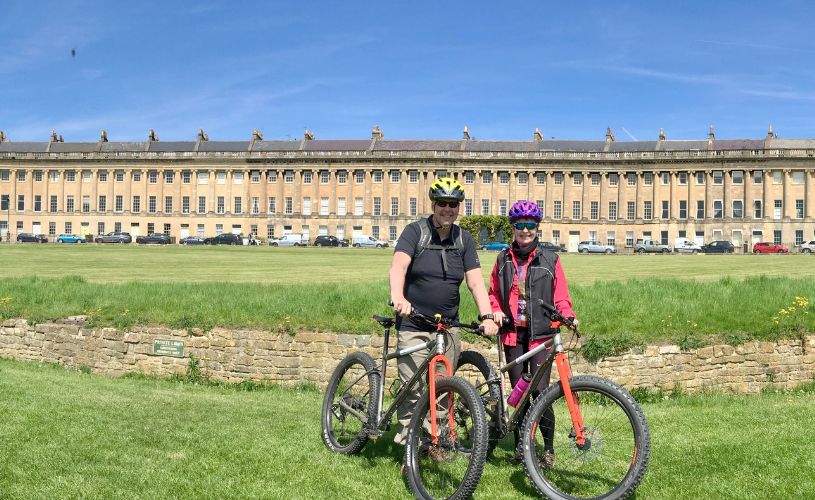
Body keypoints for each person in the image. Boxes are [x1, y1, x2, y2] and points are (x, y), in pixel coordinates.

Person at [389, 177, 499, 446]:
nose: (447, 209)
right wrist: (398, 297)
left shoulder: (464, 239)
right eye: (442, 203)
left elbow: (474, 281)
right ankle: (410, 444)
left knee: (440, 390)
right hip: (413, 323)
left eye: (453, 204)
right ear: (433, 204)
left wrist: (486, 315)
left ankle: (433, 441)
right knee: (412, 390)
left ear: (459, 207)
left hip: (447, 327)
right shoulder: (415, 232)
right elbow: (398, 267)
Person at [487, 200, 577, 468]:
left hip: (541, 334)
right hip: (513, 334)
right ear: (513, 228)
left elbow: (561, 297)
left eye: (530, 225)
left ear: (538, 228)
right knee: (519, 395)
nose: (525, 231)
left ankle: (547, 449)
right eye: (520, 226)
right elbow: (493, 293)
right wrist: (495, 311)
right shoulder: (502, 259)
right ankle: (520, 446)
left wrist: (568, 315)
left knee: (541, 393)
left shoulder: (551, 259)